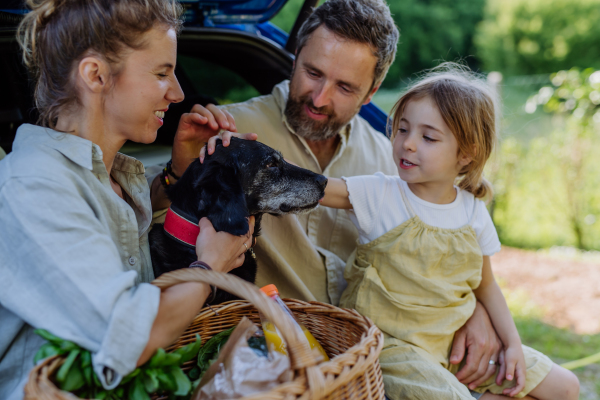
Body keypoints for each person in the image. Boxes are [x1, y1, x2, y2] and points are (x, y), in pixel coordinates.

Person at [199, 0, 505, 394]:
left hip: (374, 359)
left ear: (371, 92)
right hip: (270, 362)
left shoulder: (392, 158)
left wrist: (475, 310)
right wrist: (178, 170)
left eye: (345, 87)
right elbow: (160, 239)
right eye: (313, 73)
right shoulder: (233, 134)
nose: (320, 98)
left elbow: (441, 254)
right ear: (294, 59)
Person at [0, 1, 255, 399]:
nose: (178, 92)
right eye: (160, 73)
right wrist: (212, 266)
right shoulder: (34, 185)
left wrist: (177, 174)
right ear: (95, 74)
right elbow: (131, 335)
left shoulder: (108, 173)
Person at [318, 64, 580, 399]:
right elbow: (319, 188)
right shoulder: (381, 194)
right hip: (392, 349)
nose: (408, 144)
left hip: (453, 346)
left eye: (428, 137)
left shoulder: (472, 212)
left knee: (565, 387)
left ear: (466, 155)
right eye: (402, 129)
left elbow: (487, 286)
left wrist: (512, 344)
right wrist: (252, 158)